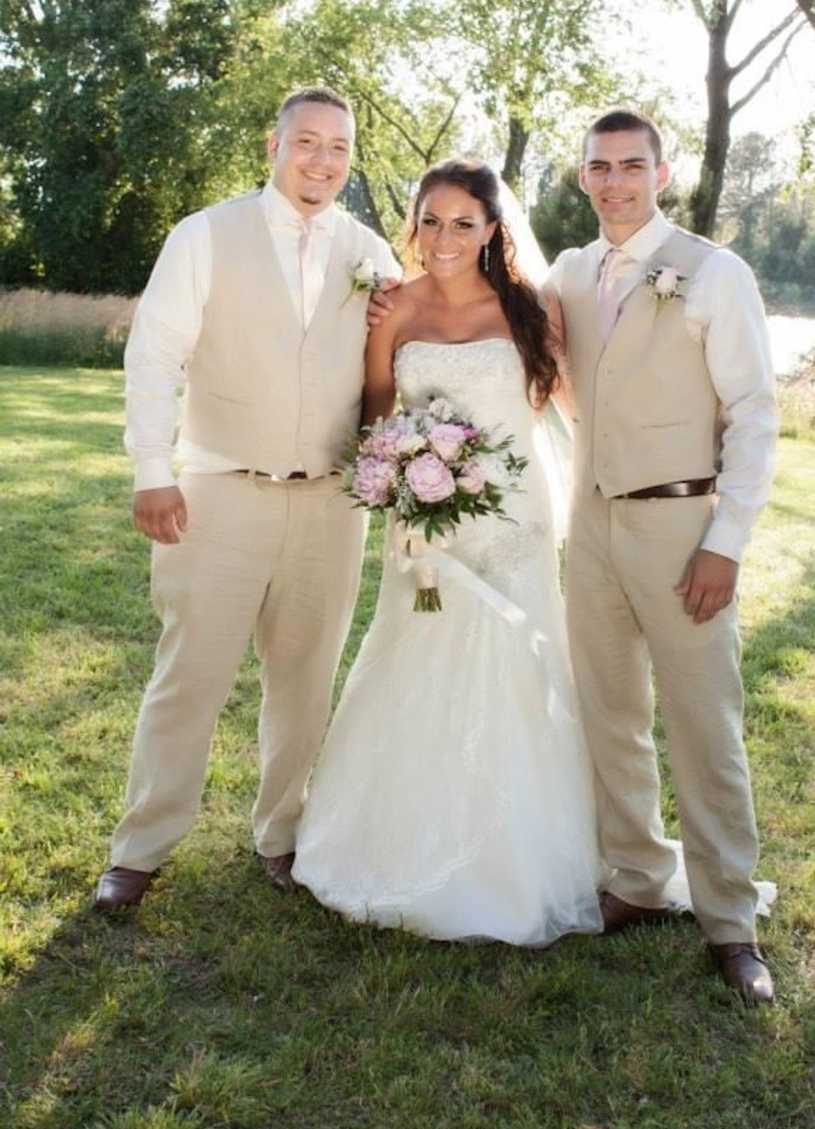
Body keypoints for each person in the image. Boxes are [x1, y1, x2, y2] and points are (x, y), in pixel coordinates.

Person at [94, 87, 400, 911]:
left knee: (305, 682)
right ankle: (142, 847)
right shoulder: (204, 235)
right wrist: (151, 469)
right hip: (217, 492)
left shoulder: (373, 253)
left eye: (338, 148)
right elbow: (155, 356)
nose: (322, 161)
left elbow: (397, 372)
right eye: (307, 142)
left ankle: (284, 835)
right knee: (188, 676)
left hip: (331, 503)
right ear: (275, 145)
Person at [291, 159, 606, 946]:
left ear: (494, 229)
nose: (444, 238)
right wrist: (394, 476)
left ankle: (517, 857)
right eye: (431, 220)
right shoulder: (393, 305)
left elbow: (576, 411)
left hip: (515, 522)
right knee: (418, 657)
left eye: (464, 222)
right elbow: (373, 414)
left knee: (517, 664)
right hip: (425, 524)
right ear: (414, 224)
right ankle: (400, 839)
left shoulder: (531, 309)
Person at [542, 109, 778, 1002]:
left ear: (662, 172)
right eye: (599, 167)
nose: (615, 182)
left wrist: (725, 541)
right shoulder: (571, 271)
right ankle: (637, 880)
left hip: (685, 528)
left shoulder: (715, 275)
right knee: (609, 713)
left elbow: (755, 413)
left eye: (631, 165)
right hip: (591, 523)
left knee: (704, 726)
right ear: (583, 177)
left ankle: (731, 923)